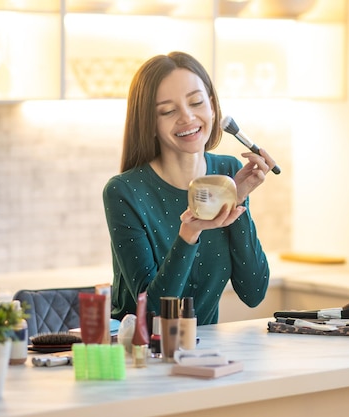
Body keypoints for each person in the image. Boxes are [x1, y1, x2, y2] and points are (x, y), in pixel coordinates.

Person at [102, 51, 276, 325]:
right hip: (139, 355)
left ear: (213, 108)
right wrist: (189, 233)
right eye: (168, 111)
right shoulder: (124, 191)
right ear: (150, 123)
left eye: (196, 102)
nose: (187, 117)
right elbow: (156, 314)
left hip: (205, 354)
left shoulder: (228, 173)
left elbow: (253, 292)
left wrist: (237, 200)